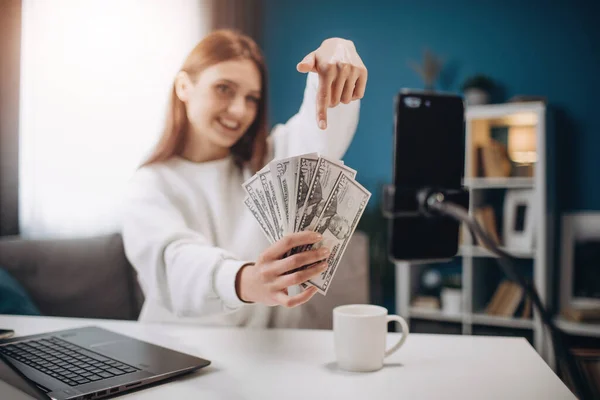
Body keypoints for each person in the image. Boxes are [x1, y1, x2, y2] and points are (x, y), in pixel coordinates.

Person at [121, 29, 367, 328]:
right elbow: (174, 266)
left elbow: (322, 134)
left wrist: (335, 51)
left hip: (274, 359)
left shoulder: (269, 162)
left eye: (252, 98)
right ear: (184, 86)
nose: (239, 111)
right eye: (224, 88)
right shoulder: (151, 185)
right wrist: (247, 280)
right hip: (179, 355)